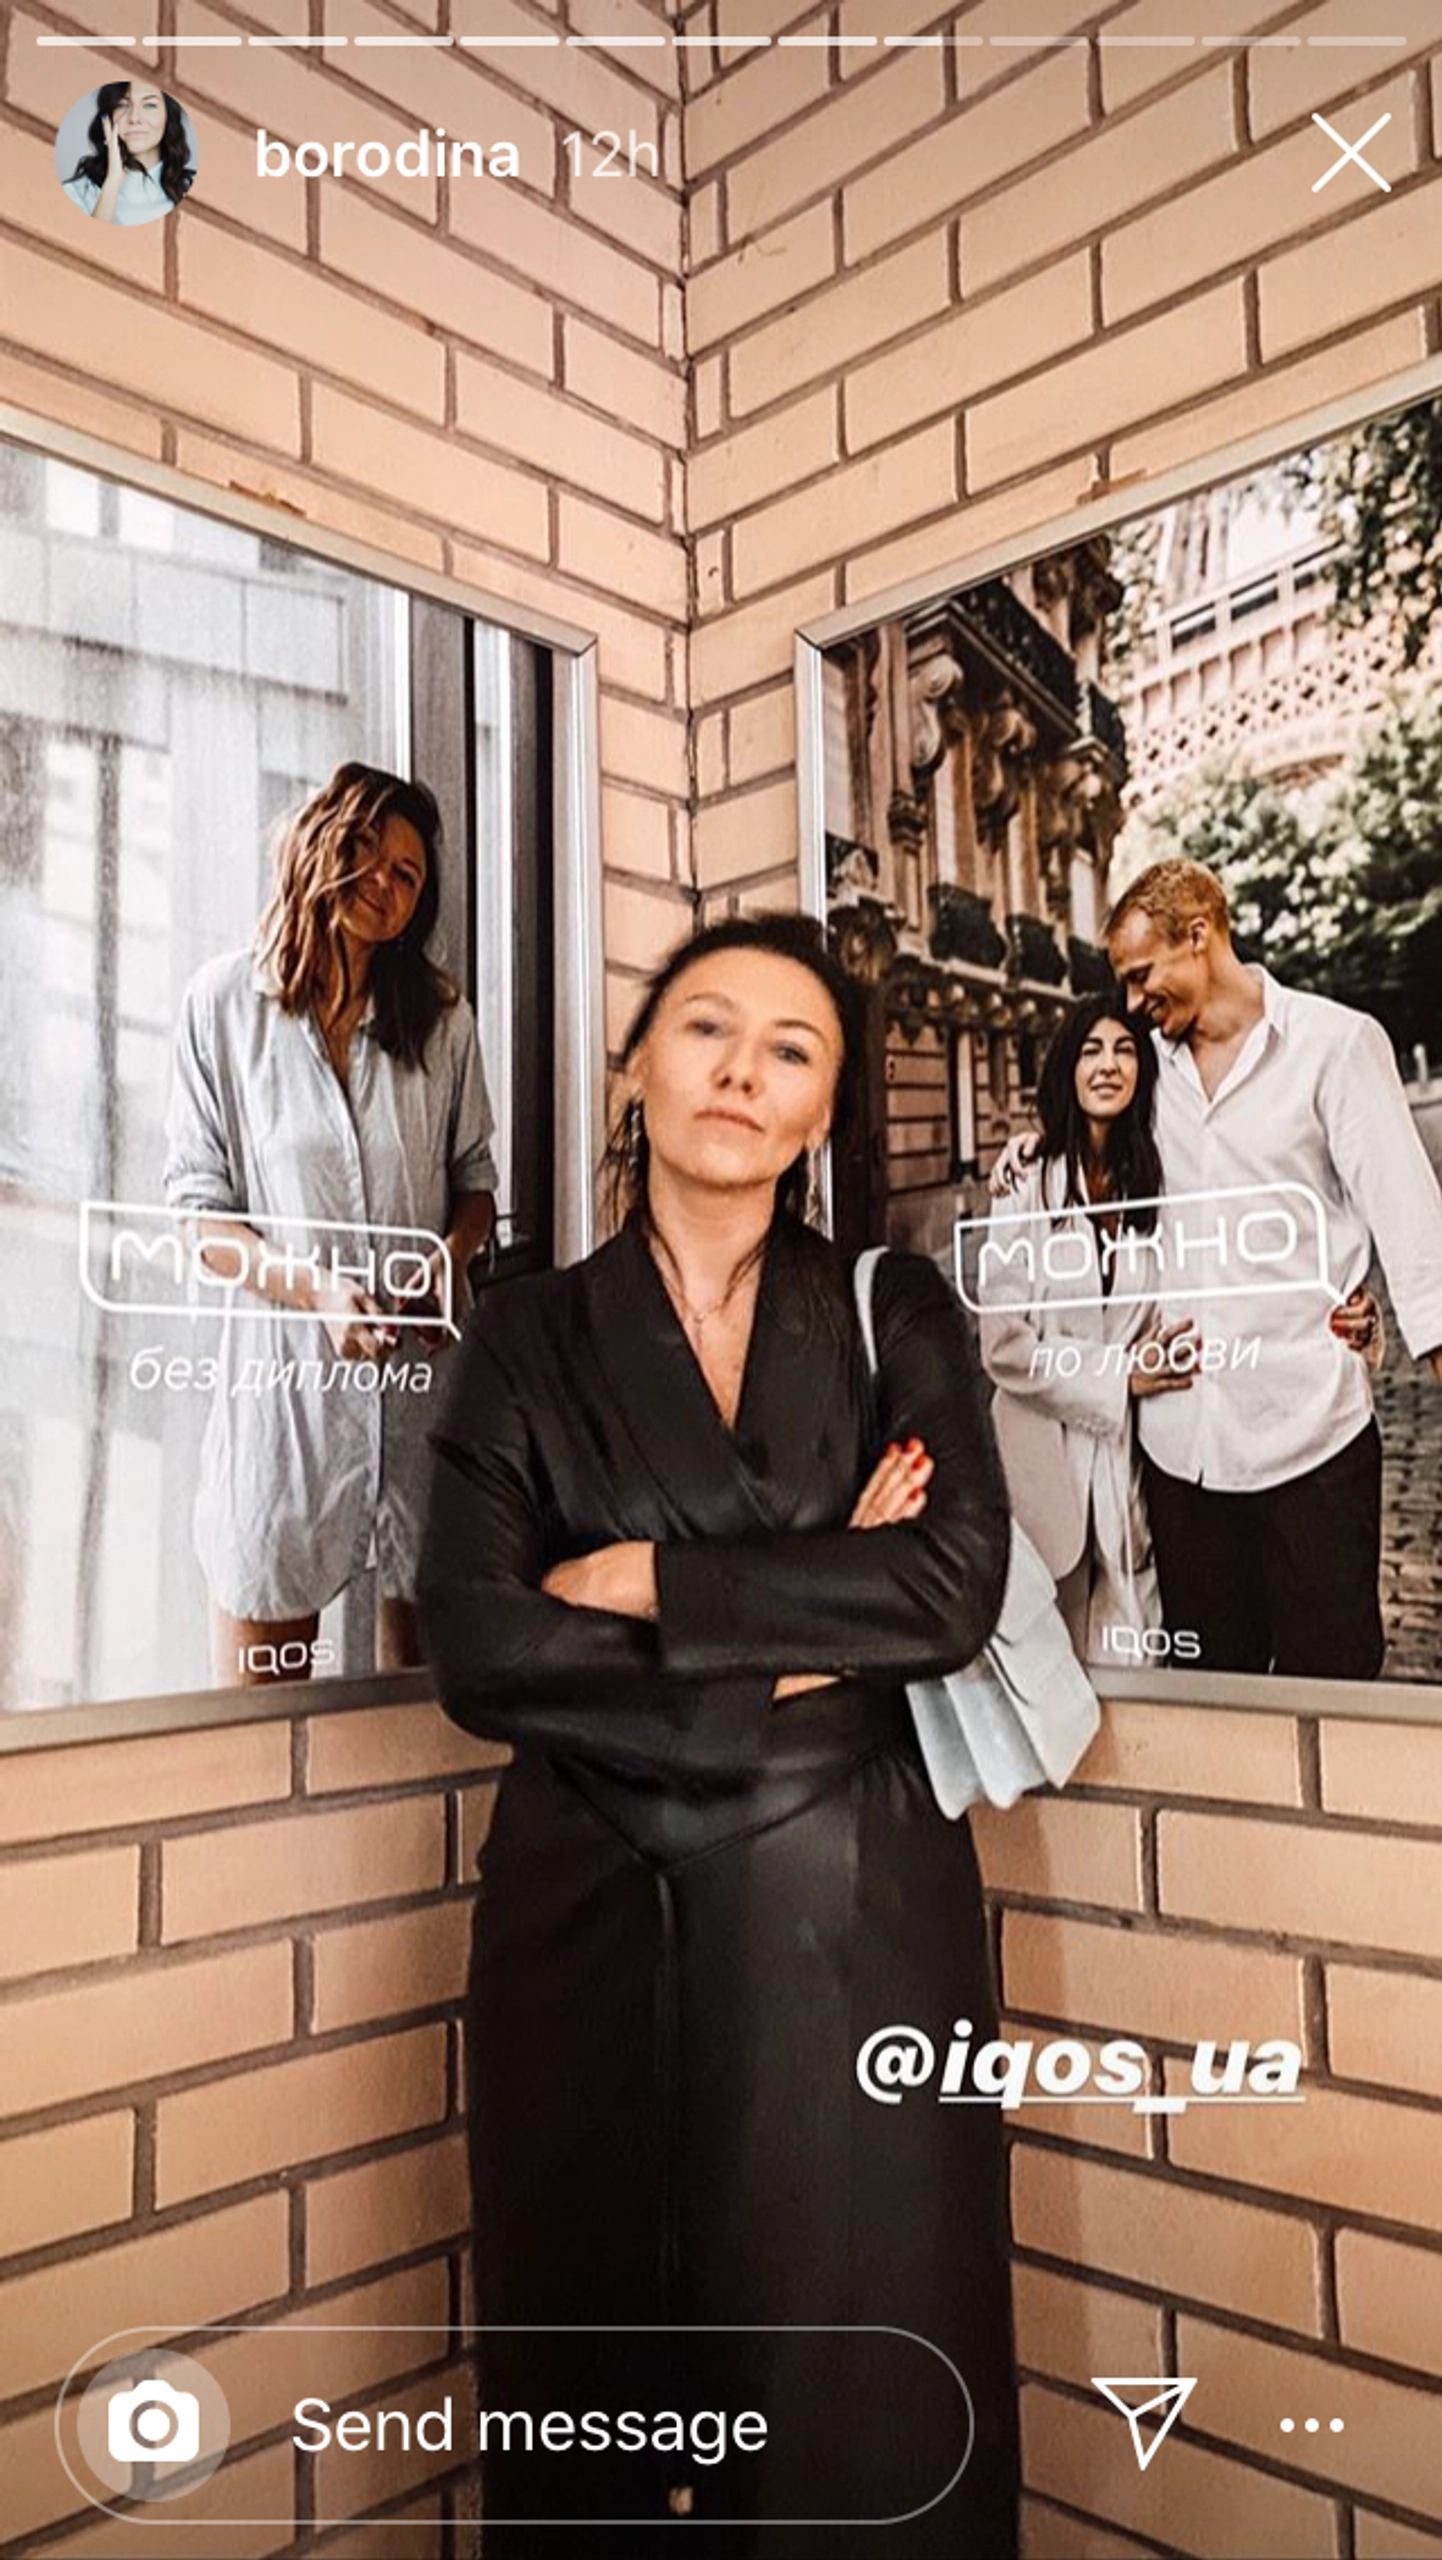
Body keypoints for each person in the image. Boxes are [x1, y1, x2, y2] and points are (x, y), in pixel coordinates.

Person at [418, 913, 1019, 2555]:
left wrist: (643, 1578)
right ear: (633, 1066)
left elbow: (952, 1582)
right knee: (597, 2366)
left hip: (854, 1916)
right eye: (706, 1028)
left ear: (822, 1112)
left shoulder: (898, 1315)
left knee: (861, 2383)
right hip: (582, 1919)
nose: (743, 1071)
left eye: (792, 1048)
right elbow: (477, 1639)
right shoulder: (521, 1336)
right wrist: (801, 1616)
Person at [163, 762, 497, 1685]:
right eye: (366, 851)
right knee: (263, 1727)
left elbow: (475, 1184)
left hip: (421, 1403)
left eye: (409, 876)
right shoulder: (223, 1009)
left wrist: (450, 1259)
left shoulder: (443, 1021)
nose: (384, 885)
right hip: (285, 1413)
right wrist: (312, 1289)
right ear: (320, 841)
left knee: (421, 1725)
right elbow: (199, 1215)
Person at [1095, 858, 1442, 1676]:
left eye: (1142, 977)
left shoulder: (1335, 1043)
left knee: (1336, 1685)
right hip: (1184, 1453)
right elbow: (1073, 1141)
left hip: (1309, 1440)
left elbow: (1408, 1213)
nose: (1133, 1003)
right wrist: (1019, 1166)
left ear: (1199, 935)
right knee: (1217, 1700)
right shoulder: (1145, 1071)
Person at [978, 995, 1183, 1657]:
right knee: (1044, 1667)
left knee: (1132, 1653)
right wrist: (1118, 1377)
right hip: (1043, 1467)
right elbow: (1004, 1347)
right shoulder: (1026, 1183)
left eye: (1125, 1050)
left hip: (1126, 1471)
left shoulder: (1153, 1182)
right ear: (1067, 1067)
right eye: (1092, 1050)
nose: (1109, 1065)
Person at [63, 82, 195, 224]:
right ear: (108, 117)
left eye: (150, 105)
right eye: (122, 105)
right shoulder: (76, 193)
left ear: (168, 115)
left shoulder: (191, 189)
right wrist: (112, 182)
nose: (134, 118)